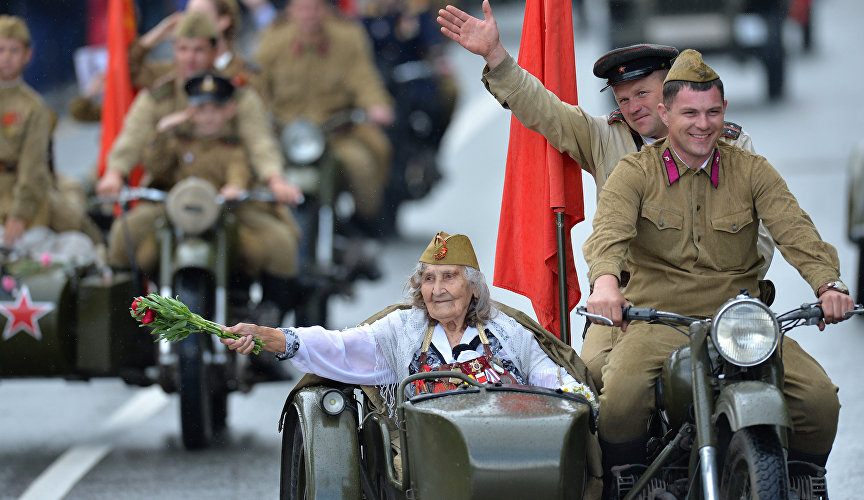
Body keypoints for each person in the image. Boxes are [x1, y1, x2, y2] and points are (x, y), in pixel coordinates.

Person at [436, 1, 775, 389]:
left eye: (643, 93)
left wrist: (733, 285)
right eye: (622, 97)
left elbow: (763, 229)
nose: (633, 107)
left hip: (724, 301)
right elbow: (544, 110)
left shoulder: (729, 143)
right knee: (597, 386)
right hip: (630, 304)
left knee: (786, 394)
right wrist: (496, 56)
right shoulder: (605, 136)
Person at [582, 49, 852, 484]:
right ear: (665, 114)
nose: (702, 124)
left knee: (819, 402)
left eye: (711, 112)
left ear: (724, 111)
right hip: (657, 319)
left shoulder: (752, 171)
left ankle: (801, 484)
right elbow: (608, 235)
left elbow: (795, 230)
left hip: (741, 320)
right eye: (689, 112)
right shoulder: (634, 173)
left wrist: (829, 284)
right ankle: (628, 483)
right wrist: (607, 284)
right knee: (620, 404)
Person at [107, 72, 301, 314]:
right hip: (178, 210)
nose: (208, 117)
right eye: (201, 109)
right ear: (190, 110)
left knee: (276, 243)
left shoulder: (232, 147)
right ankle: (125, 312)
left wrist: (235, 188)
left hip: (222, 212)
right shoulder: (179, 141)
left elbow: (239, 169)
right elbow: (156, 164)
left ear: (229, 110)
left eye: (215, 109)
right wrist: (161, 132)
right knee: (125, 235)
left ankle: (270, 313)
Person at [95, 11, 301, 206]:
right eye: (183, 49)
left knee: (274, 240)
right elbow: (132, 137)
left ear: (214, 51)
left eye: (198, 50)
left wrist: (275, 179)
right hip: (172, 196)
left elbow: (260, 142)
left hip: (230, 197)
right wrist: (115, 173)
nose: (190, 58)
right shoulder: (158, 97)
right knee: (126, 235)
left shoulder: (238, 95)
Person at [254, 0, 395, 235]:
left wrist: (376, 106)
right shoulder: (273, 40)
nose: (309, 15)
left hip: (336, 134)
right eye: (302, 8)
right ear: (291, 11)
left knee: (365, 163)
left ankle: (366, 227)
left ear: (326, 10)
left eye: (315, 8)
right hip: (287, 137)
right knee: (256, 171)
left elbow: (364, 78)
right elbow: (257, 84)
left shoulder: (347, 38)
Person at [0, 15, 102, 248]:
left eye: (13, 51)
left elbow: (33, 167)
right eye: (1, 49)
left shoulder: (32, 107)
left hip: (20, 198)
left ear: (28, 55)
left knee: (76, 226)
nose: (5, 57)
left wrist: (20, 213)